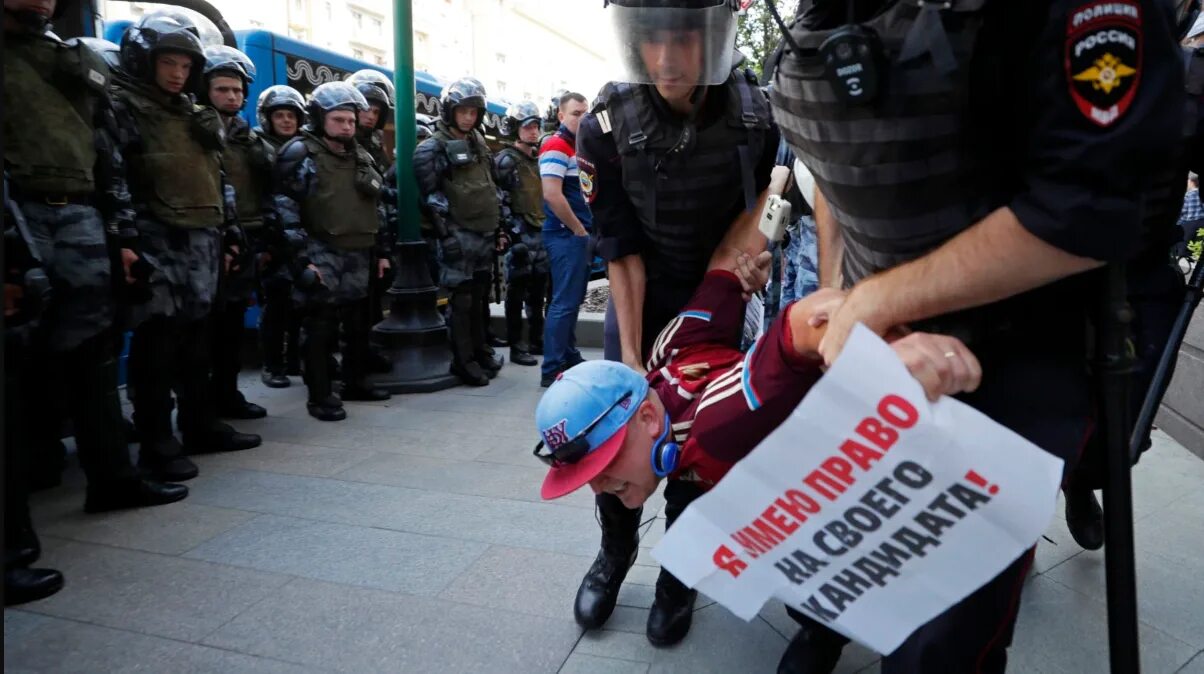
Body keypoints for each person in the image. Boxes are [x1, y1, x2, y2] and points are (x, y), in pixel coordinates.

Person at [766, 0, 1182, 671]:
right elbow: (843, 164)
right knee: (837, 530)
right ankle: (822, 626)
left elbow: (1086, 210)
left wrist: (876, 301)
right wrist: (843, 299)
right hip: (878, 339)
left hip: (1007, 356)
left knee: (941, 640)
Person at [571, 0, 779, 647]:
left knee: (703, 440)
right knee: (609, 429)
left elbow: (768, 199)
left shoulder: (755, 111)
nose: (666, 59)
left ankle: (679, 575)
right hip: (643, 286)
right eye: (651, 40)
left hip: (715, 290)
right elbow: (621, 247)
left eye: (684, 40)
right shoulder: (604, 123)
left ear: (713, 37)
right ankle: (615, 551)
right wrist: (632, 358)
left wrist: (755, 257)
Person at [115, 11, 263, 482]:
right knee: (157, 346)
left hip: (204, 239)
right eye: (169, 63)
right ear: (146, 61)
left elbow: (219, 180)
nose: (178, 74)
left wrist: (231, 234)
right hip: (156, 240)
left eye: (185, 65)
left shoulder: (195, 116)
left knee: (198, 341)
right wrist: (126, 241)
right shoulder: (121, 106)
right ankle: (157, 441)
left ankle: (201, 425)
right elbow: (112, 178)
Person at [276, 81, 393, 421]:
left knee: (358, 325)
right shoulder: (300, 152)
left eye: (351, 121)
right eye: (339, 120)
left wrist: (382, 250)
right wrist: (301, 261)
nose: (347, 126)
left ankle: (355, 382)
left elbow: (377, 205)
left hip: (358, 251)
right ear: (320, 119)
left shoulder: (360, 154)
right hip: (320, 250)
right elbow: (285, 209)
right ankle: (320, 394)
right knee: (319, 327)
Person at [414, 78, 505, 386]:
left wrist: (500, 227)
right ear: (449, 111)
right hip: (457, 234)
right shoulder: (431, 148)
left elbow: (492, 187)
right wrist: (446, 236)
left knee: (480, 297)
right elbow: (430, 199)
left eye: (474, 112)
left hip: (482, 233)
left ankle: (480, 352)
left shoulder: (478, 143)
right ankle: (462, 361)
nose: (468, 117)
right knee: (462, 302)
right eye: (463, 111)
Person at [199, 45, 270, 421]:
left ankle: (227, 395)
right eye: (222, 89)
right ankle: (202, 405)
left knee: (231, 325)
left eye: (237, 90)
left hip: (243, 240)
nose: (231, 96)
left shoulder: (248, 138)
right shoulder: (196, 127)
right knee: (202, 329)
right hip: (205, 241)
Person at [254, 84, 307, 388]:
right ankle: (272, 364)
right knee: (275, 306)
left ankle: (293, 360)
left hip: (297, 235)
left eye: (291, 115)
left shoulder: (304, 147)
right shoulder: (257, 147)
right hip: (271, 237)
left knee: (298, 304)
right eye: (280, 115)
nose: (286, 121)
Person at [539, 91, 592, 387]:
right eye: (575, 113)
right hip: (566, 235)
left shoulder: (573, 146)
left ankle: (567, 356)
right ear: (561, 115)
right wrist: (579, 230)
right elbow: (552, 194)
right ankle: (553, 367)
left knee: (570, 300)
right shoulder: (557, 145)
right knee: (564, 302)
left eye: (586, 112)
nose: (582, 117)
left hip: (571, 234)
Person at [495, 101, 549, 367]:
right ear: (515, 129)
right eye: (527, 127)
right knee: (516, 293)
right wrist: (508, 234)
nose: (533, 131)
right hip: (520, 234)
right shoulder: (506, 160)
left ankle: (537, 340)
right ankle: (517, 346)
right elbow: (500, 199)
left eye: (536, 126)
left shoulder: (536, 159)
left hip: (539, 231)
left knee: (538, 292)